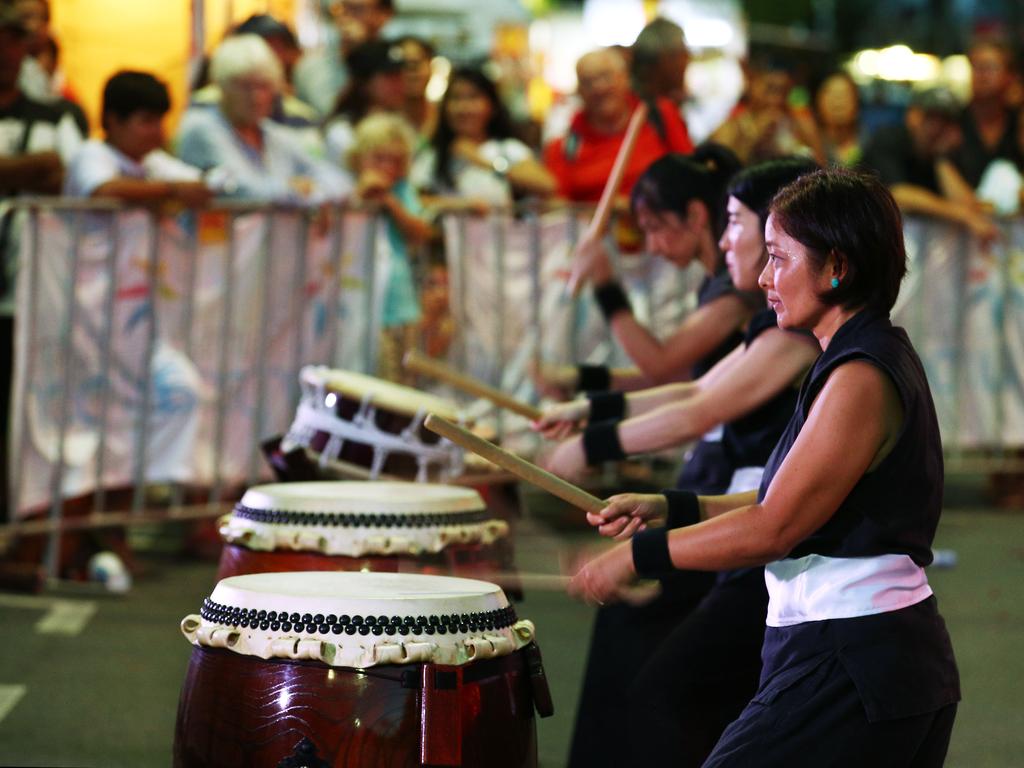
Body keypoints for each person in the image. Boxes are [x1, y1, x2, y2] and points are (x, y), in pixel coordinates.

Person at [570, 168, 960, 766]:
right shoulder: (851, 360)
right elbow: (785, 500)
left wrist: (637, 556)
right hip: (860, 659)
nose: (762, 278)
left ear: (836, 266)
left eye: (778, 258)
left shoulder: (860, 375)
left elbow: (774, 527)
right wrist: (673, 508)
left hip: (856, 663)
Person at [537, 158, 821, 768]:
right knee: (648, 670)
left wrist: (596, 442)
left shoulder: (819, 346)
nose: (725, 245)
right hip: (746, 523)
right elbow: (691, 391)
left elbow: (680, 384)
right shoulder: (782, 326)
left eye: (737, 227)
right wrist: (594, 410)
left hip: (782, 568)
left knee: (671, 690)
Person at [534, 144, 756, 397]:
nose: (651, 247)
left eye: (655, 227)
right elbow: (685, 376)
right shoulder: (715, 281)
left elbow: (661, 365)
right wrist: (579, 379)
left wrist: (605, 284)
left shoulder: (738, 288)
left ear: (695, 214)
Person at [0, 6, 84, 519]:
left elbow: (64, 174)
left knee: (23, 408)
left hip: (26, 288)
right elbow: (45, 168)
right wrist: (25, 171)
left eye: (15, 42)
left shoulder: (57, 114)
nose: (8, 53)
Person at [176, 34, 350, 203]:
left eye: (263, 86)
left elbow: (337, 180)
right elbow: (239, 189)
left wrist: (309, 191)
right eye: (244, 86)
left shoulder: (273, 134)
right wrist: (296, 190)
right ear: (222, 86)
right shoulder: (200, 127)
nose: (256, 97)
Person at [543, 47, 694, 205]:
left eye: (606, 77)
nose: (599, 87)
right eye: (588, 82)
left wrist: (637, 206)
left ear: (625, 78)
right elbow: (557, 204)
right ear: (579, 91)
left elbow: (690, 177)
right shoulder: (565, 146)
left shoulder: (661, 116)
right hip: (594, 226)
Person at [348, 112, 433, 383]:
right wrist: (361, 196)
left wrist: (390, 203)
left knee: (404, 383)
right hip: (360, 306)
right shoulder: (347, 189)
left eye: (395, 160)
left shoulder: (401, 191)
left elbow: (420, 233)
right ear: (358, 158)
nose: (387, 168)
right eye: (378, 158)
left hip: (401, 304)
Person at [860, 85, 997, 244]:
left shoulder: (950, 153)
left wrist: (942, 159)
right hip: (870, 239)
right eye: (931, 117)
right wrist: (959, 214)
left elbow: (968, 205)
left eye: (945, 120)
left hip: (926, 252)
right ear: (912, 116)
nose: (937, 127)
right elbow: (898, 194)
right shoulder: (889, 138)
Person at [411, 66, 556, 212]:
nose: (464, 107)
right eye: (456, 98)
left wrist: (482, 161)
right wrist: (460, 205)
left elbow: (546, 185)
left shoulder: (509, 149)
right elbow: (415, 200)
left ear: (492, 106)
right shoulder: (433, 155)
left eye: (473, 97)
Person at [190, 15, 325, 162]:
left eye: (278, 48)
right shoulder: (203, 110)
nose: (256, 96)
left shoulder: (302, 116)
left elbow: (315, 165)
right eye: (245, 85)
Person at [64, 71, 210, 206]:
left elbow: (200, 183)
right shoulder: (91, 153)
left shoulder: (153, 160)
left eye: (160, 121)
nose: (158, 130)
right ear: (113, 120)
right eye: (147, 121)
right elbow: (103, 190)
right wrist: (171, 190)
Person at [712, 53, 824, 166]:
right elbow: (720, 171)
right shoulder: (732, 127)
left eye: (784, 91)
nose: (777, 99)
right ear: (752, 84)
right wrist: (753, 137)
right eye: (770, 89)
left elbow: (821, 169)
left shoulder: (801, 125)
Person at [293, 0, 394, 118]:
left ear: (384, 15)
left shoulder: (396, 59)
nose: (344, 17)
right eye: (340, 9)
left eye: (356, 9)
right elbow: (331, 114)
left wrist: (362, 52)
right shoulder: (313, 67)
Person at [324, 38, 407, 170]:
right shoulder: (342, 133)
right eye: (390, 76)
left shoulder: (401, 124)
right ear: (365, 82)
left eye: (401, 76)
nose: (400, 84)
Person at [955, 38, 1022, 190]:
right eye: (976, 67)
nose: (981, 75)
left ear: (1010, 76)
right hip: (958, 210)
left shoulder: (1018, 122)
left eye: (990, 67)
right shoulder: (952, 121)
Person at [395, 34, 437, 147]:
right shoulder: (381, 121)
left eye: (415, 65)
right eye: (402, 66)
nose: (410, 74)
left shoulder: (448, 117)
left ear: (431, 67)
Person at [815, 71, 863, 167]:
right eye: (831, 94)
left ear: (856, 102)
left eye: (844, 94)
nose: (838, 102)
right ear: (818, 101)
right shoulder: (806, 145)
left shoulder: (870, 144)